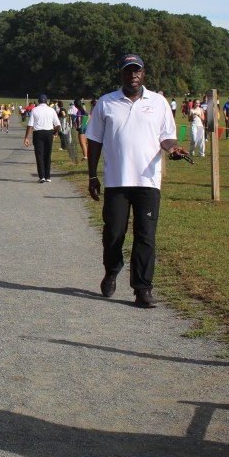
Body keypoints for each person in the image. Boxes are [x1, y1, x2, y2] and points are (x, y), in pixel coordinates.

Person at [86, 53, 187, 309]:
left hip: (148, 181)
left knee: (145, 236)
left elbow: (167, 137)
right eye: (128, 70)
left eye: (137, 70)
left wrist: (173, 149)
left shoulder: (159, 102)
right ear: (121, 73)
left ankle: (143, 288)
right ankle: (112, 270)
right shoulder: (106, 102)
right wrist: (92, 175)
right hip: (117, 181)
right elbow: (94, 140)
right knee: (113, 233)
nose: (133, 75)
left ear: (143, 73)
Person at [23, 94, 60, 183]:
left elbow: (30, 125)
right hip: (49, 132)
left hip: (38, 133)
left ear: (38, 101)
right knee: (48, 155)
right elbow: (58, 125)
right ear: (46, 101)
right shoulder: (51, 110)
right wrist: (54, 133)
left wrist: (26, 137)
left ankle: (42, 176)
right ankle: (48, 176)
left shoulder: (34, 110)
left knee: (39, 155)